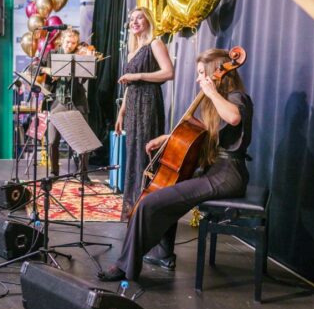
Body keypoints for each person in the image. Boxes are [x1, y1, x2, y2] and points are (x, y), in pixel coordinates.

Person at [99, 48, 252, 282]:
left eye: (202, 73)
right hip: (215, 170)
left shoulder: (236, 97)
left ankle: (126, 266)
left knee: (151, 201)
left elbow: (233, 117)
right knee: (165, 192)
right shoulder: (216, 101)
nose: (199, 79)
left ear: (215, 73)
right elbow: (203, 137)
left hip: (228, 174)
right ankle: (163, 253)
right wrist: (168, 138)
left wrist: (211, 92)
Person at [114, 7, 174, 219]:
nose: (134, 22)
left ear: (148, 20)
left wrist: (138, 75)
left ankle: (147, 208)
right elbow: (129, 86)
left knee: (145, 153)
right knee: (133, 155)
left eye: (139, 18)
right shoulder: (131, 51)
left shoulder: (155, 44)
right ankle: (133, 207)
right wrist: (121, 112)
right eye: (131, 19)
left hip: (149, 103)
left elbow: (169, 72)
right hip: (132, 107)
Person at [45, 29, 92, 177]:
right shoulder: (52, 54)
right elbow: (42, 75)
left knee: (83, 139)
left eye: (73, 43)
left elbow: (84, 79)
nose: (70, 45)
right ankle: (54, 172)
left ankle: (83, 173)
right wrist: (50, 71)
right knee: (52, 141)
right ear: (62, 40)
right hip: (58, 100)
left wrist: (87, 60)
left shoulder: (79, 56)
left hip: (77, 100)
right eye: (68, 42)